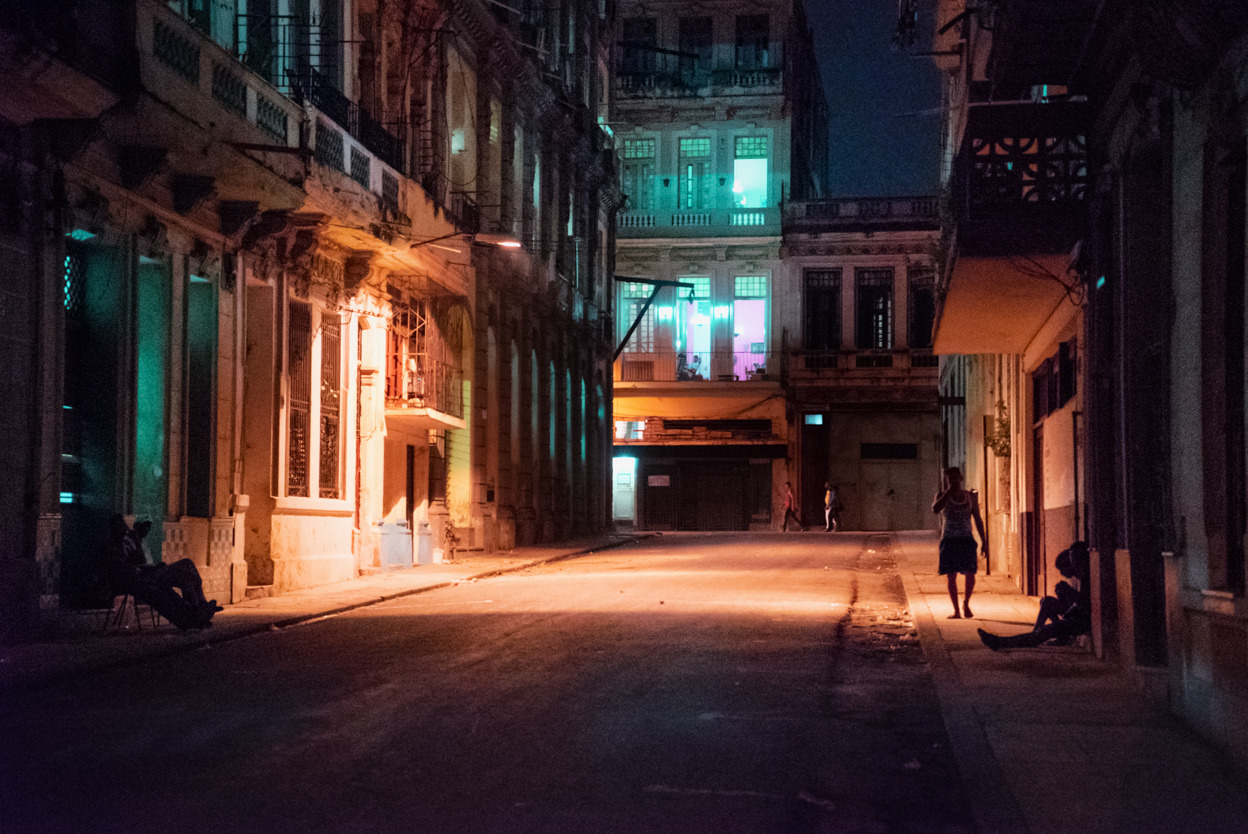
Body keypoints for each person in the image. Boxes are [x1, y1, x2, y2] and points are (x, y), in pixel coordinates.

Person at [103, 515, 221, 630]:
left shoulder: (132, 542)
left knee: (186, 574)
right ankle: (192, 615)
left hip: (148, 574)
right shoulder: (113, 548)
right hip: (140, 579)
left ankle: (198, 608)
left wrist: (149, 565)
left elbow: (140, 563)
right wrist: (145, 568)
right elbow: (125, 570)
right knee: (165, 585)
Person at [978, 543, 1091, 651]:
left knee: (1044, 632)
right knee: (1046, 607)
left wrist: (1070, 593)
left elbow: (1086, 606)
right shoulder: (1084, 577)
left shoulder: (1092, 576)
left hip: (1080, 622)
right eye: (1073, 561)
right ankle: (1008, 639)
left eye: (1076, 561)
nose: (1074, 564)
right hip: (1074, 617)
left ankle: (1001, 642)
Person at [933, 467, 987, 618]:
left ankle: (966, 604)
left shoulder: (970, 497)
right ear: (947, 481)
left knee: (970, 573)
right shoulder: (941, 496)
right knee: (951, 575)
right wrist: (948, 492)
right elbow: (935, 509)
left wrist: (984, 541)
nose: (953, 482)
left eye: (955, 478)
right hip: (949, 540)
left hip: (966, 539)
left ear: (961, 479)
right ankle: (956, 610)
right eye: (950, 479)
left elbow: (977, 518)